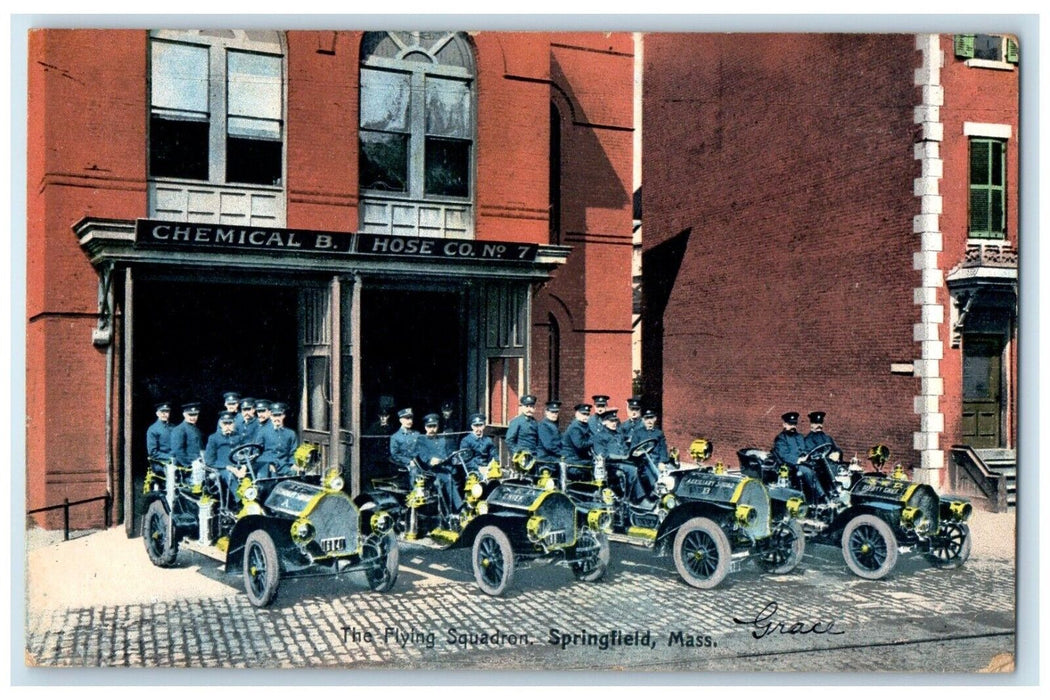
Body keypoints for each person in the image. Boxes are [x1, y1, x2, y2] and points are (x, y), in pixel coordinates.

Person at [592, 408, 647, 504]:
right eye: (611, 421)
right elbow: (603, 455)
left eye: (615, 421)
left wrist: (633, 453)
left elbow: (625, 449)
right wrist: (622, 457)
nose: (614, 423)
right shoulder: (599, 436)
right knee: (631, 469)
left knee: (643, 464)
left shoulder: (618, 434)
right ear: (604, 422)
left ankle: (652, 493)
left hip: (622, 462)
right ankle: (636, 499)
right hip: (609, 465)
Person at [771, 411, 826, 503]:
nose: (793, 426)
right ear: (784, 424)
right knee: (807, 471)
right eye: (790, 424)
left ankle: (827, 493)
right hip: (790, 465)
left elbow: (805, 449)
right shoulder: (781, 438)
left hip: (803, 462)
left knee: (821, 468)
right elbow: (784, 455)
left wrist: (808, 455)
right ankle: (821, 496)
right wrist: (798, 460)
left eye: (794, 424)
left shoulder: (800, 437)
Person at [414, 413, 464, 514]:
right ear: (425, 427)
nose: (432, 429)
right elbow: (423, 456)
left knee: (459, 474)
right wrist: (431, 460)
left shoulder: (442, 439)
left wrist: (455, 457)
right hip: (430, 470)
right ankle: (459, 508)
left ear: (437, 426)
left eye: (434, 426)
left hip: (445, 467)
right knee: (447, 478)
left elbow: (449, 453)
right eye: (429, 426)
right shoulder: (421, 439)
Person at [205, 410, 247, 508]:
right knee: (230, 477)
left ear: (234, 424)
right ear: (220, 424)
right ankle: (240, 503)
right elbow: (209, 460)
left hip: (239, 466)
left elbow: (244, 453)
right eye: (225, 423)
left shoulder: (238, 437)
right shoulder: (214, 438)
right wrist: (229, 468)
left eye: (230, 423)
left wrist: (244, 467)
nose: (227, 426)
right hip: (222, 468)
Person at [631, 409, 670, 494]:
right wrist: (638, 454)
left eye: (651, 418)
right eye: (647, 418)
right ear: (643, 420)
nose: (649, 421)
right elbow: (633, 448)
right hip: (643, 461)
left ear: (655, 419)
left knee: (666, 479)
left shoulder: (659, 433)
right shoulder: (638, 433)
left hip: (655, 461)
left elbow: (663, 448)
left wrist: (662, 462)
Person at [257, 402, 299, 478]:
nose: (276, 418)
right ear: (270, 416)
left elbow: (293, 451)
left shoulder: (291, 434)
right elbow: (257, 452)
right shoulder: (263, 432)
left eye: (279, 415)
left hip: (284, 466)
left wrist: (293, 463)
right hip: (267, 466)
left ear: (283, 416)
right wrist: (267, 464)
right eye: (274, 415)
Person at [805, 410, 842, 494]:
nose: (819, 425)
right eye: (815, 423)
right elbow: (808, 455)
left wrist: (837, 453)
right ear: (811, 425)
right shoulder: (807, 440)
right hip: (819, 469)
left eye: (820, 423)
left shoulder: (827, 438)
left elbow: (836, 449)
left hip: (832, 466)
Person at [170, 401, 204, 468]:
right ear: (184, 414)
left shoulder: (196, 428)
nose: (193, 418)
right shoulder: (179, 429)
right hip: (187, 466)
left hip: (200, 462)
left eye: (195, 415)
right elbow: (178, 451)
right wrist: (189, 464)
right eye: (190, 415)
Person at [146, 400, 175, 469]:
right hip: (161, 463)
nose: (164, 414)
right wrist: (170, 457)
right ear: (157, 413)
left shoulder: (174, 427)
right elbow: (153, 453)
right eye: (162, 412)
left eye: (167, 412)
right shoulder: (153, 429)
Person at [389, 408, 420, 472]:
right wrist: (409, 461)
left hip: (420, 464)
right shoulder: (395, 437)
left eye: (411, 418)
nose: (410, 421)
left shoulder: (417, 434)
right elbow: (395, 455)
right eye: (407, 418)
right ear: (401, 420)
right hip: (405, 466)